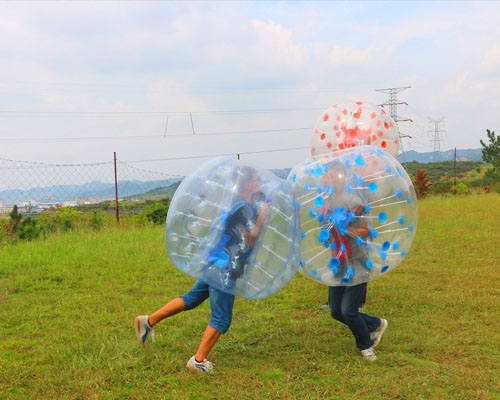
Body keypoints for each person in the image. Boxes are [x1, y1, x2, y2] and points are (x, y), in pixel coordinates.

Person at [135, 166, 270, 374]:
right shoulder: (245, 209)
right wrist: (263, 216)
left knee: (192, 298)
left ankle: (148, 321)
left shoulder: (240, 205)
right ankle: (198, 361)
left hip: (215, 262)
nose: (260, 184)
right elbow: (249, 238)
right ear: (248, 185)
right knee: (221, 318)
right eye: (257, 181)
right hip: (224, 268)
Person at [321, 164, 388, 361]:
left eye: (331, 176)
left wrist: (346, 228)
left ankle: (366, 345)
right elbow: (326, 230)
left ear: (341, 178)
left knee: (349, 311)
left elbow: (365, 230)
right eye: (325, 176)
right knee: (335, 311)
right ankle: (376, 323)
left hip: (357, 260)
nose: (327, 180)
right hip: (339, 261)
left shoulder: (353, 201)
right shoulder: (326, 203)